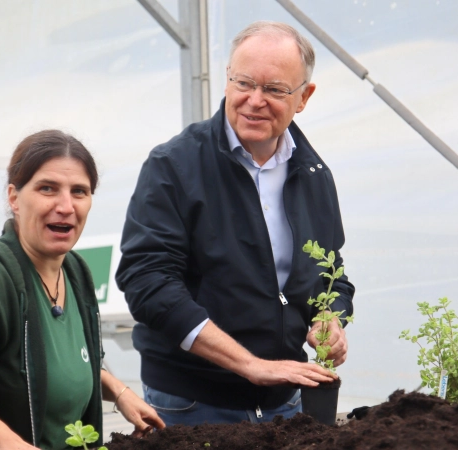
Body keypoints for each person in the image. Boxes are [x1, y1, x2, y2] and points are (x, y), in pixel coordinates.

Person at [115, 21, 356, 426]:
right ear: (227, 80)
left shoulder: (313, 173)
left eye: (275, 89)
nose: (255, 100)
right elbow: (148, 283)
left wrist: (331, 314)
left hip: (285, 399)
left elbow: (332, 274)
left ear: (304, 97)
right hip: (192, 403)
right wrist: (250, 364)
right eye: (244, 83)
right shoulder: (174, 166)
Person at [0, 130, 165, 450]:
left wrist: (120, 393)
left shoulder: (75, 270)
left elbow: (70, 363)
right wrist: (9, 444)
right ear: (14, 198)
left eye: (79, 191)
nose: (66, 206)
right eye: (47, 188)